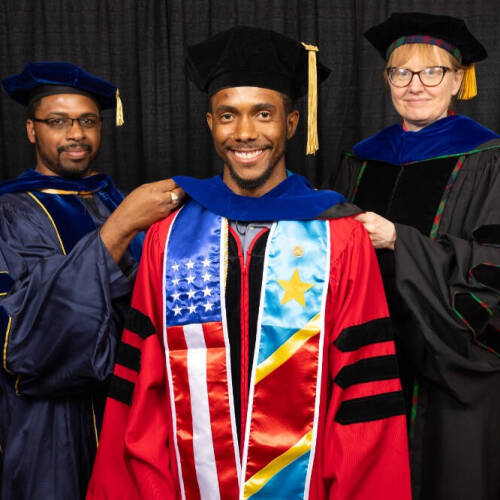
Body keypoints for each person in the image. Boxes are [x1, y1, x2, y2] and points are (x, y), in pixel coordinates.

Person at [87, 26, 411, 500]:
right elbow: (142, 390)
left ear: (293, 122)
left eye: (264, 114)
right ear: (209, 124)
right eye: (228, 115)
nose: (244, 133)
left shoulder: (339, 235)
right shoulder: (167, 237)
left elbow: (364, 391)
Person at [328, 12, 500, 500]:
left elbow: (494, 265)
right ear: (388, 80)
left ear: (458, 80)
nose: (415, 85)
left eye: (432, 72)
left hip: (453, 366)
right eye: (401, 72)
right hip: (371, 356)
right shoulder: (363, 159)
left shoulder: (488, 159)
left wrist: (399, 240)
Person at [0, 62, 184, 500]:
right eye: (57, 122)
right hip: (46, 427)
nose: (76, 135)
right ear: (31, 130)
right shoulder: (10, 213)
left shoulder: (114, 200)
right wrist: (117, 231)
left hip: (130, 412)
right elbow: (21, 337)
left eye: (87, 121)